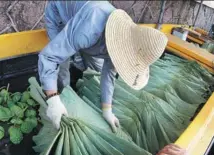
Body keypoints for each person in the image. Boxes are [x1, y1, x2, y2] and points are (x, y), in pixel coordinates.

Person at [38, 1, 168, 132]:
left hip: (85, 26)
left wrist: (107, 110)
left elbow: (109, 73)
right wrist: (52, 99)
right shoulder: (91, 27)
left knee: (95, 67)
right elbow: (49, 56)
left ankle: (76, 61)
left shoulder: (124, 41)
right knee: (62, 64)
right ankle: (60, 97)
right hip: (60, 14)